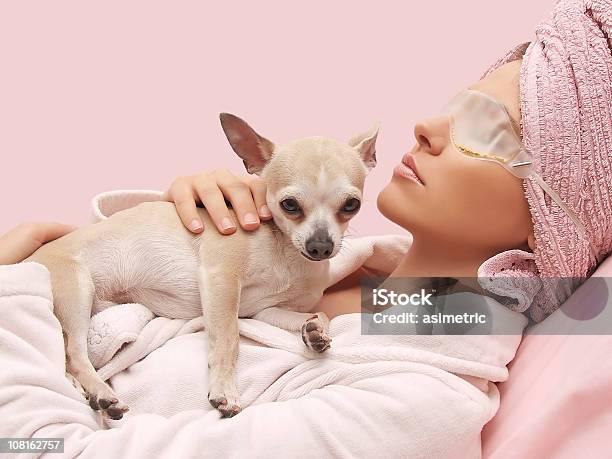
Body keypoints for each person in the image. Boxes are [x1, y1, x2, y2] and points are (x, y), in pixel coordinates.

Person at [1, 0, 610, 457]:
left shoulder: (415, 408)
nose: (427, 126)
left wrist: (9, 295)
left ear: (560, 219)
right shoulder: (337, 277)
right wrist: (182, 229)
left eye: (492, 127)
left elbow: (38, 450)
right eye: (457, 103)